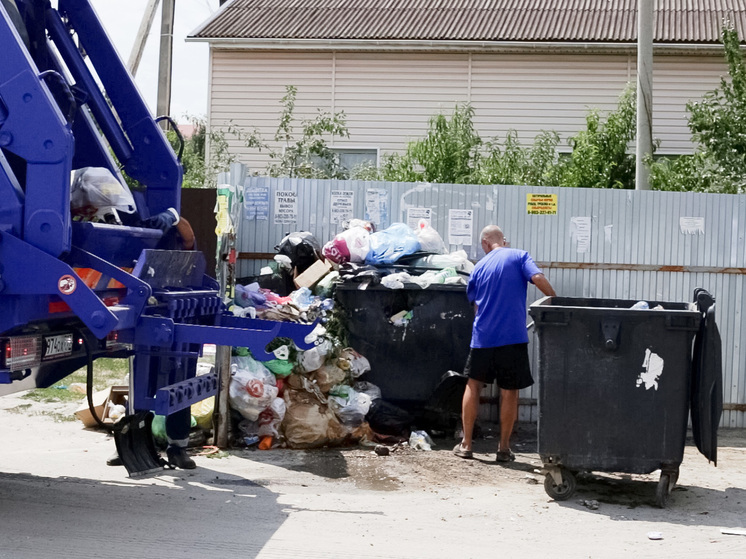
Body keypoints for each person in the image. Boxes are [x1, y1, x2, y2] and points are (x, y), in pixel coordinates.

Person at [454, 225, 556, 462]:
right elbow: (538, 278)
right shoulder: (519, 256)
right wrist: (556, 300)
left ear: (485, 244)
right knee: (510, 391)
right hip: (512, 337)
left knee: (473, 385)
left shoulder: (478, 267)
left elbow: (475, 304)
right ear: (503, 241)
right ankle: (503, 448)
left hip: (483, 338)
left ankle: (467, 444)